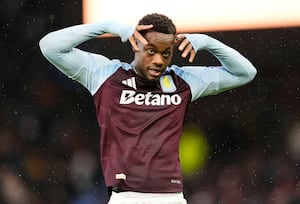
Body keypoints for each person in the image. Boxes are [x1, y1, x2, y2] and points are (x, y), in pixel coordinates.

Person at [39, 13, 257, 204]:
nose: (159, 60)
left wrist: (208, 42)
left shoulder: (183, 81)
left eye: (166, 53)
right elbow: (50, 46)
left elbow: (246, 73)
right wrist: (106, 27)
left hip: (171, 197)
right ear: (136, 44)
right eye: (151, 50)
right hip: (125, 197)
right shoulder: (104, 74)